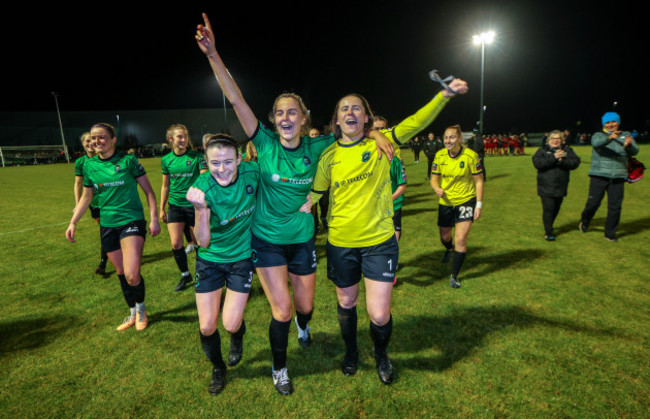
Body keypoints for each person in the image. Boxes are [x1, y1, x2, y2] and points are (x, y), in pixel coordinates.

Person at [194, 13, 394, 395]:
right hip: (266, 241)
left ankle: (304, 327)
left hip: (303, 239)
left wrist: (374, 132)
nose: (286, 117)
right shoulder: (265, 143)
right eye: (280, 112)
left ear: (304, 119)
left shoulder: (321, 147)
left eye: (293, 112)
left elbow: (352, 128)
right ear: (274, 120)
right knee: (281, 310)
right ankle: (280, 368)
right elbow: (236, 98)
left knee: (305, 307)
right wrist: (213, 55)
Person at [311, 79, 469, 385]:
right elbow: (314, 193)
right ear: (336, 120)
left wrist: (443, 96)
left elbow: (415, 121)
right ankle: (352, 351)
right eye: (344, 108)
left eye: (357, 107)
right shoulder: (328, 155)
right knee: (346, 303)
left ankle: (381, 354)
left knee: (380, 314)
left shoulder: (383, 143)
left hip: (379, 242)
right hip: (340, 244)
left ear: (367, 118)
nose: (350, 111)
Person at [185, 134, 261, 395]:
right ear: (206, 162)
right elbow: (203, 242)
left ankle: (237, 336)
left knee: (230, 323)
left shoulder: (252, 173)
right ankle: (218, 367)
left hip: (241, 259)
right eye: (215, 163)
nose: (222, 169)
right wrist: (201, 210)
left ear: (239, 159)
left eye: (228, 162)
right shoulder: (202, 187)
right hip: (210, 261)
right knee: (207, 326)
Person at [66, 122, 160, 331]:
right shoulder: (89, 166)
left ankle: (142, 308)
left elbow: (149, 192)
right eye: (93, 138)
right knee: (121, 272)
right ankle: (132, 312)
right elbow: (87, 196)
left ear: (113, 140)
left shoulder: (128, 161)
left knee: (132, 273)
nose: (96, 141)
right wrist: (73, 221)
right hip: (108, 224)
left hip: (131, 220)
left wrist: (153, 218)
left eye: (101, 137)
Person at [430, 124, 483, 289]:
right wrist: (436, 188)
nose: (448, 140)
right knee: (445, 237)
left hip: (466, 200)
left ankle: (454, 275)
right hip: (446, 202)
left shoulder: (471, 156)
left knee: (460, 238)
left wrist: (478, 204)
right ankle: (449, 248)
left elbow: (479, 181)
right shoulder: (439, 155)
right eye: (446, 137)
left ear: (460, 139)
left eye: (452, 137)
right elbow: (433, 178)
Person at [160, 124, 208, 292]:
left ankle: (202, 274)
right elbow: (165, 186)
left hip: (193, 206)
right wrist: (161, 208)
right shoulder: (166, 160)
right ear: (171, 139)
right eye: (180, 137)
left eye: (185, 136)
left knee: (200, 243)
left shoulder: (196, 156)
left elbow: (204, 178)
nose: (184, 139)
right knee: (175, 243)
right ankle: (185, 274)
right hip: (175, 205)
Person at [579, 112, 639, 241]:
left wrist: (629, 146)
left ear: (618, 122)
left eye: (613, 122)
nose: (610, 124)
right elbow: (596, 144)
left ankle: (610, 233)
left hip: (618, 175)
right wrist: (610, 138)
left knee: (615, 206)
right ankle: (585, 221)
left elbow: (635, 151)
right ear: (603, 124)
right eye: (607, 122)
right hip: (599, 175)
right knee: (593, 204)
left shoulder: (626, 135)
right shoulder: (598, 135)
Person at [532, 130, 581, 240]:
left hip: (561, 186)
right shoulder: (542, 151)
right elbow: (538, 164)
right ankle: (548, 232)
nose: (555, 140)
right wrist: (553, 157)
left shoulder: (567, 150)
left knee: (556, 209)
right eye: (553, 138)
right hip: (545, 186)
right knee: (548, 209)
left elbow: (575, 163)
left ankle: (549, 226)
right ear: (548, 140)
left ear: (562, 140)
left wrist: (561, 161)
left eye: (558, 138)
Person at [73, 132, 107, 275]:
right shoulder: (81, 162)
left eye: (91, 140)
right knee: (105, 229)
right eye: (87, 141)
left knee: (105, 231)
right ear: (83, 144)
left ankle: (103, 263)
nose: (90, 143)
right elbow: (78, 184)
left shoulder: (105, 158)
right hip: (93, 203)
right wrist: (78, 204)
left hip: (108, 200)